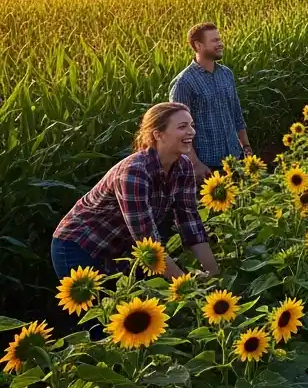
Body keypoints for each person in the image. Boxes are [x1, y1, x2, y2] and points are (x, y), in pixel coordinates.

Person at [53, 102, 220, 281]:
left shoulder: (183, 166)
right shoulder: (135, 172)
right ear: (158, 134)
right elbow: (147, 240)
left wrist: (214, 274)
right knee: (101, 299)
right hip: (81, 246)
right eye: (182, 127)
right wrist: (185, 284)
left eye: (192, 125)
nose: (191, 132)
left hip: (120, 249)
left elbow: (189, 222)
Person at [169, 23, 252, 182]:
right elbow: (179, 130)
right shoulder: (184, 82)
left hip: (235, 159)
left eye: (219, 39)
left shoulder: (226, 74)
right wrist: (195, 164)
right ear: (198, 45)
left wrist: (246, 146)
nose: (220, 44)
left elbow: (236, 114)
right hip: (207, 166)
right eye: (214, 40)